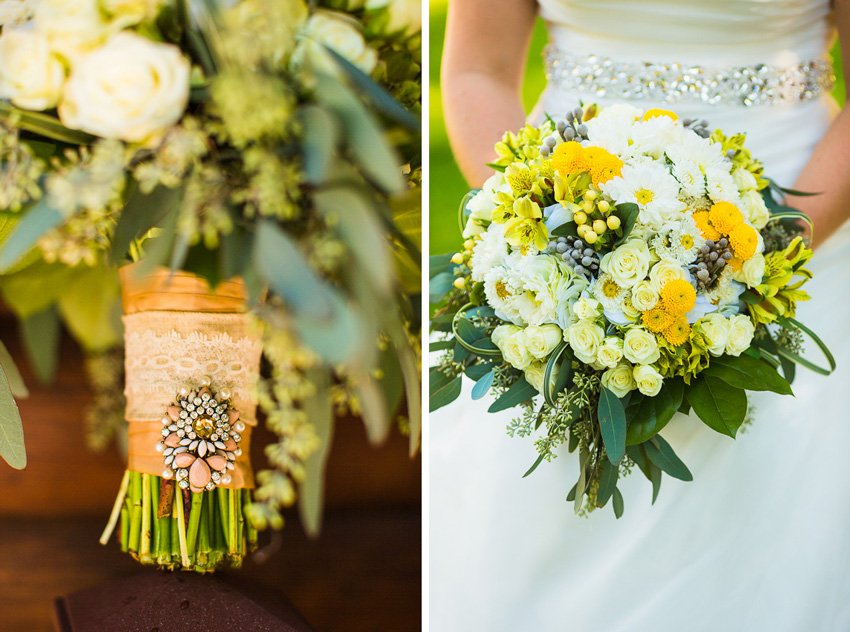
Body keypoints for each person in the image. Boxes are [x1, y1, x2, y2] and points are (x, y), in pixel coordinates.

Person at [431, 0, 850, 630]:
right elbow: (477, 71)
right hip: (568, 221)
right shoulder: (555, 241)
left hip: (802, 215)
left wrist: (765, 250)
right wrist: (537, 233)